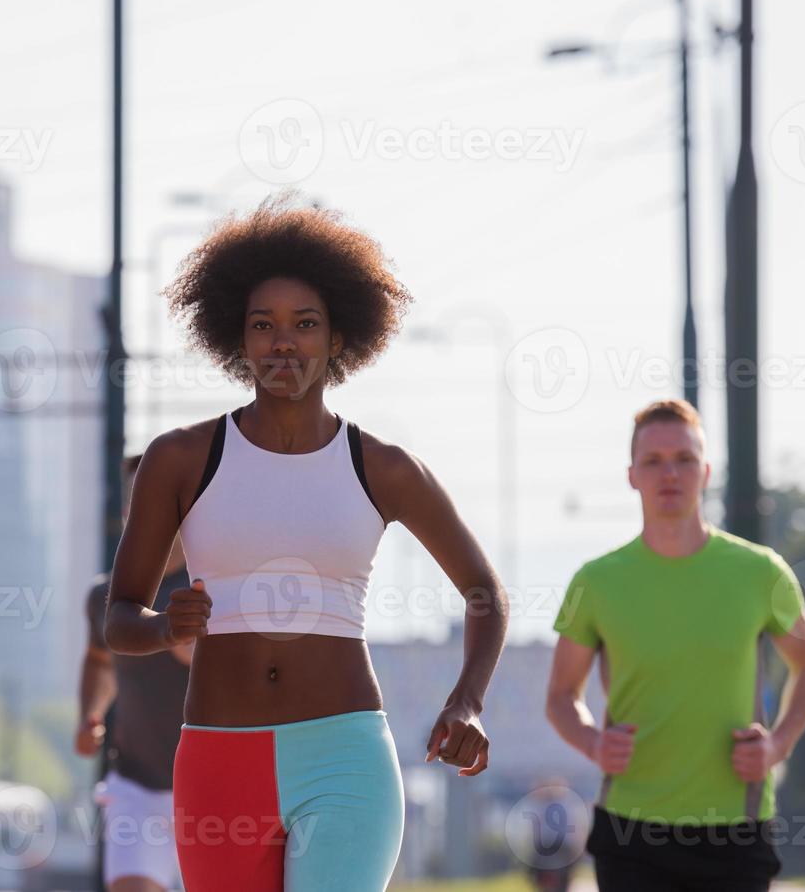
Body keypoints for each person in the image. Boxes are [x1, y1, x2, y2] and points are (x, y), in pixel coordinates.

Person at [105, 197, 508, 892]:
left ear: (339, 340)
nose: (281, 342)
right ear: (238, 340)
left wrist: (466, 701)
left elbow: (484, 593)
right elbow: (118, 618)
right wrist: (162, 627)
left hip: (344, 757)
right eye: (262, 326)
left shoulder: (384, 468)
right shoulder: (178, 459)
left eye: (304, 324)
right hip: (216, 760)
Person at [545, 399, 805, 891]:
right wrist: (593, 741)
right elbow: (559, 696)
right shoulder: (595, 582)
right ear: (632, 475)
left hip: (735, 833)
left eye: (684, 459)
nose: (669, 474)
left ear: (707, 471)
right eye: (653, 462)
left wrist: (778, 744)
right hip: (631, 832)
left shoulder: (760, 572)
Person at [77, 455, 194, 892]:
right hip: (137, 786)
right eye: (139, 503)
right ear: (128, 512)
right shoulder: (103, 595)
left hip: (216, 790)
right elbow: (99, 661)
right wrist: (89, 715)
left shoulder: (218, 587)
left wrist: (203, 653)